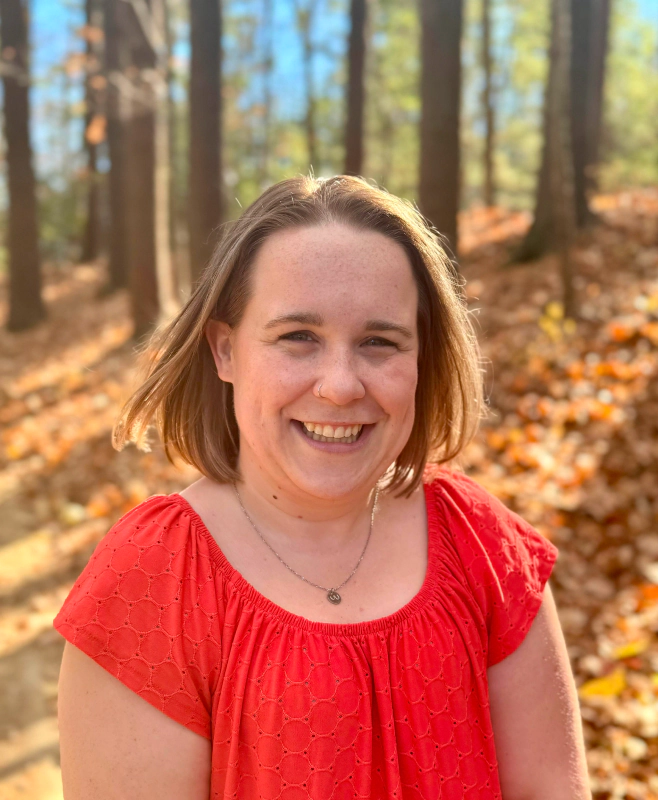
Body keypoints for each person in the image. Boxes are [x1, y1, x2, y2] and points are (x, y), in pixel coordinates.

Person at [54, 175, 591, 799]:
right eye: (298, 338)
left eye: (379, 342)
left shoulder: (485, 548)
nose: (340, 385)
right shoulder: (153, 582)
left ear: (422, 360)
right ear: (225, 351)